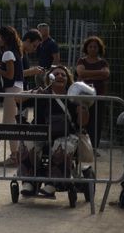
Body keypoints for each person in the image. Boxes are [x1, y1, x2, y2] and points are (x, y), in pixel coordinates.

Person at [18, 64, 88, 197]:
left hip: (66, 135)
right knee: (28, 142)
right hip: (40, 134)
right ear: (49, 78)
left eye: (63, 74)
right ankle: (29, 182)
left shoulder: (74, 97)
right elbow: (16, 98)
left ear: (68, 79)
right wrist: (33, 93)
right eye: (56, 74)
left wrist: (83, 109)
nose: (60, 76)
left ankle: (52, 183)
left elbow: (82, 123)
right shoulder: (42, 93)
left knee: (62, 146)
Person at [0, 26, 25, 167]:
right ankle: (16, 154)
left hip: (12, 89)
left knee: (9, 123)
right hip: (17, 88)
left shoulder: (7, 53)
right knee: (11, 122)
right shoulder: (16, 51)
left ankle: (15, 156)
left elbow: (9, 75)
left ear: (6, 38)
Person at [76, 36, 109, 147]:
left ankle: (94, 147)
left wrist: (87, 74)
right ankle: (83, 147)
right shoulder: (81, 60)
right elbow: (80, 73)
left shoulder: (103, 62)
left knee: (97, 122)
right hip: (83, 97)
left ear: (99, 48)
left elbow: (106, 74)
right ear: (86, 48)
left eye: (95, 47)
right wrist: (98, 73)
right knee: (83, 121)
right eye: (90, 46)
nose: (93, 49)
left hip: (98, 97)